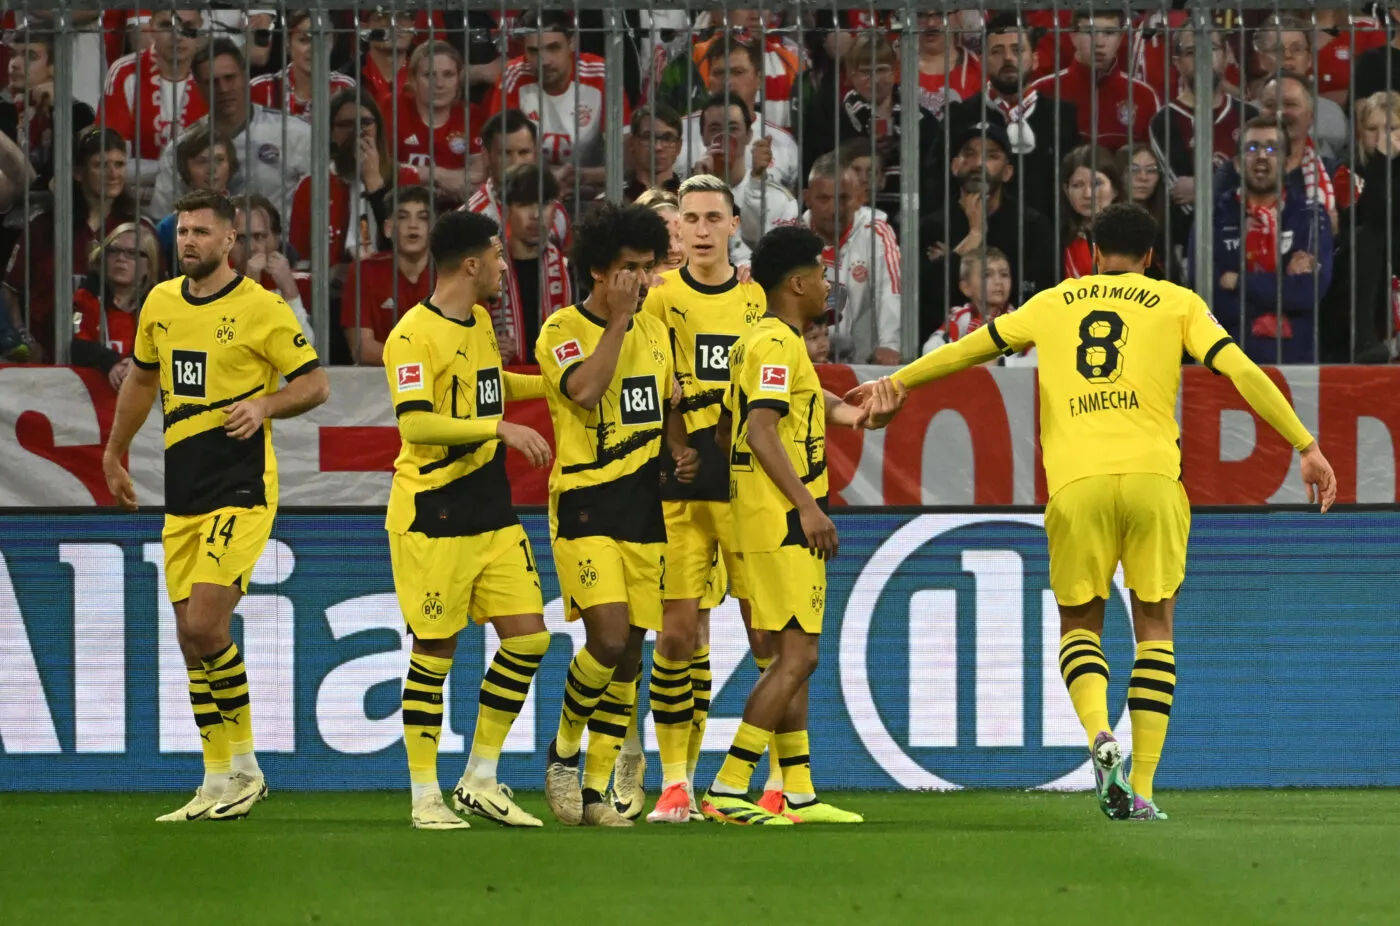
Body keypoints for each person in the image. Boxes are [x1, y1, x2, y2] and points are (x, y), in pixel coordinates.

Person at [858, 202, 1336, 822]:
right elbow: (1242, 369)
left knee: (1080, 624)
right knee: (1155, 625)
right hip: (1153, 479)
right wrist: (1306, 444)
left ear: (1088, 247)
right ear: (1151, 255)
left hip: (1078, 482)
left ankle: (1097, 737)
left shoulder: (1054, 303)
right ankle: (1142, 786)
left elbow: (969, 350)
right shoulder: (1177, 303)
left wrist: (895, 382)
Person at [101, 190, 330, 822]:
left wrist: (264, 405)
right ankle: (215, 778)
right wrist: (115, 453)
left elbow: (315, 384)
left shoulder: (262, 308)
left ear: (231, 242)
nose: (189, 242)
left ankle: (248, 768)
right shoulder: (162, 303)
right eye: (184, 232)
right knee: (188, 637)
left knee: (204, 625)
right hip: (184, 488)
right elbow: (144, 380)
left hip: (242, 483)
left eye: (203, 232)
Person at [701, 224, 899, 825]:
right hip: (780, 514)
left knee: (788, 653)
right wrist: (806, 507)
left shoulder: (773, 341)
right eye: (819, 273)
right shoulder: (775, 345)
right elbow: (761, 428)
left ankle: (798, 791)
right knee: (799, 656)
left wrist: (865, 414)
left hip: (765, 512)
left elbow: (813, 408)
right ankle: (730, 787)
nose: (826, 284)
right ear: (796, 283)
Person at [380, 209, 555, 830]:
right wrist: (500, 428)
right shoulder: (410, 336)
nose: (506, 269)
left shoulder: (479, 321)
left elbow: (490, 384)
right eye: (499, 258)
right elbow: (416, 422)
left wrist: (551, 386)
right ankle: (424, 793)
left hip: (490, 506)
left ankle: (480, 778)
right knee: (435, 650)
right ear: (473, 264)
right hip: (433, 511)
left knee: (530, 637)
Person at [535, 202, 681, 828]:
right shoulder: (561, 329)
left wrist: (679, 450)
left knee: (629, 658)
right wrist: (618, 322)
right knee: (610, 637)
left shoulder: (656, 330)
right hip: (587, 503)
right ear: (597, 271)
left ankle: (596, 791)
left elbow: (669, 401)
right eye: (629, 270)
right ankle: (563, 753)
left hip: (644, 505)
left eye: (648, 269)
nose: (641, 282)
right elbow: (587, 391)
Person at [636, 173, 768, 824]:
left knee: (764, 632)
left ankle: (770, 782)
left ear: (734, 225)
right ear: (678, 231)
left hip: (743, 482)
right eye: (691, 219)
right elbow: (652, 384)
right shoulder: (659, 299)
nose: (703, 229)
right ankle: (672, 782)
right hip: (683, 482)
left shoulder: (756, 298)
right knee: (678, 633)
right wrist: (673, 446)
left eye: (715, 217)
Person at [1189, 117, 1333, 364]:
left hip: (1294, 365)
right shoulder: (1212, 216)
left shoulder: (1309, 216)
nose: (1262, 156)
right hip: (1225, 361)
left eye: (1272, 148)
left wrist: (1238, 281)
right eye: (1252, 148)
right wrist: (1280, 290)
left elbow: (1308, 293)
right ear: (1236, 163)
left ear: (1288, 162)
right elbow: (1204, 296)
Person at [150, 39, 313, 221]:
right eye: (213, 82)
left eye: (230, 78)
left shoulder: (295, 134)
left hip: (278, 246)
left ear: (245, 76)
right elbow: (162, 218)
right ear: (199, 87)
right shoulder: (181, 148)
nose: (224, 89)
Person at [801, 153, 902, 365]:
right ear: (807, 198)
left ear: (859, 198)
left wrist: (890, 344)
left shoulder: (876, 231)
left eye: (843, 198)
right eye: (824, 198)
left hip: (862, 359)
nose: (833, 209)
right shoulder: (793, 234)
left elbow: (890, 289)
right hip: (805, 354)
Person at [341, 185, 435, 366]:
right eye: (402, 217)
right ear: (388, 229)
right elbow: (361, 348)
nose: (413, 225)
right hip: (380, 385)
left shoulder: (452, 273)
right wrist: (421, 359)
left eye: (422, 218)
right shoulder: (364, 272)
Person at [491, 164, 572, 365]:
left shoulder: (570, 269)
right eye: (525, 204)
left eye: (544, 203)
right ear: (506, 210)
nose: (536, 214)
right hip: (506, 385)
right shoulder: (488, 270)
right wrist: (488, 346)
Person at [72, 223, 162, 390]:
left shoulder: (160, 309)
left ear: (149, 267)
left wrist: (136, 361)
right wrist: (110, 363)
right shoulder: (85, 298)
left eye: (132, 253)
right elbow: (76, 344)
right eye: (114, 250)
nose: (121, 258)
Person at [467, 109, 570, 250]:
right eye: (505, 153)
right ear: (486, 156)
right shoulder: (472, 218)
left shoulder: (556, 213)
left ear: (536, 155)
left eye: (524, 152)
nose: (515, 162)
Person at [248, 9, 357, 122]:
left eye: (322, 40)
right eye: (304, 40)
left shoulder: (345, 87)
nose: (314, 49)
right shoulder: (259, 89)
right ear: (288, 43)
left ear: (333, 42)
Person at [1060, 146, 1123, 280]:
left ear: (1115, 189)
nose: (1087, 194)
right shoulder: (1056, 240)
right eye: (1077, 185)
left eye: (1096, 184)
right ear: (1066, 191)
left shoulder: (1137, 236)